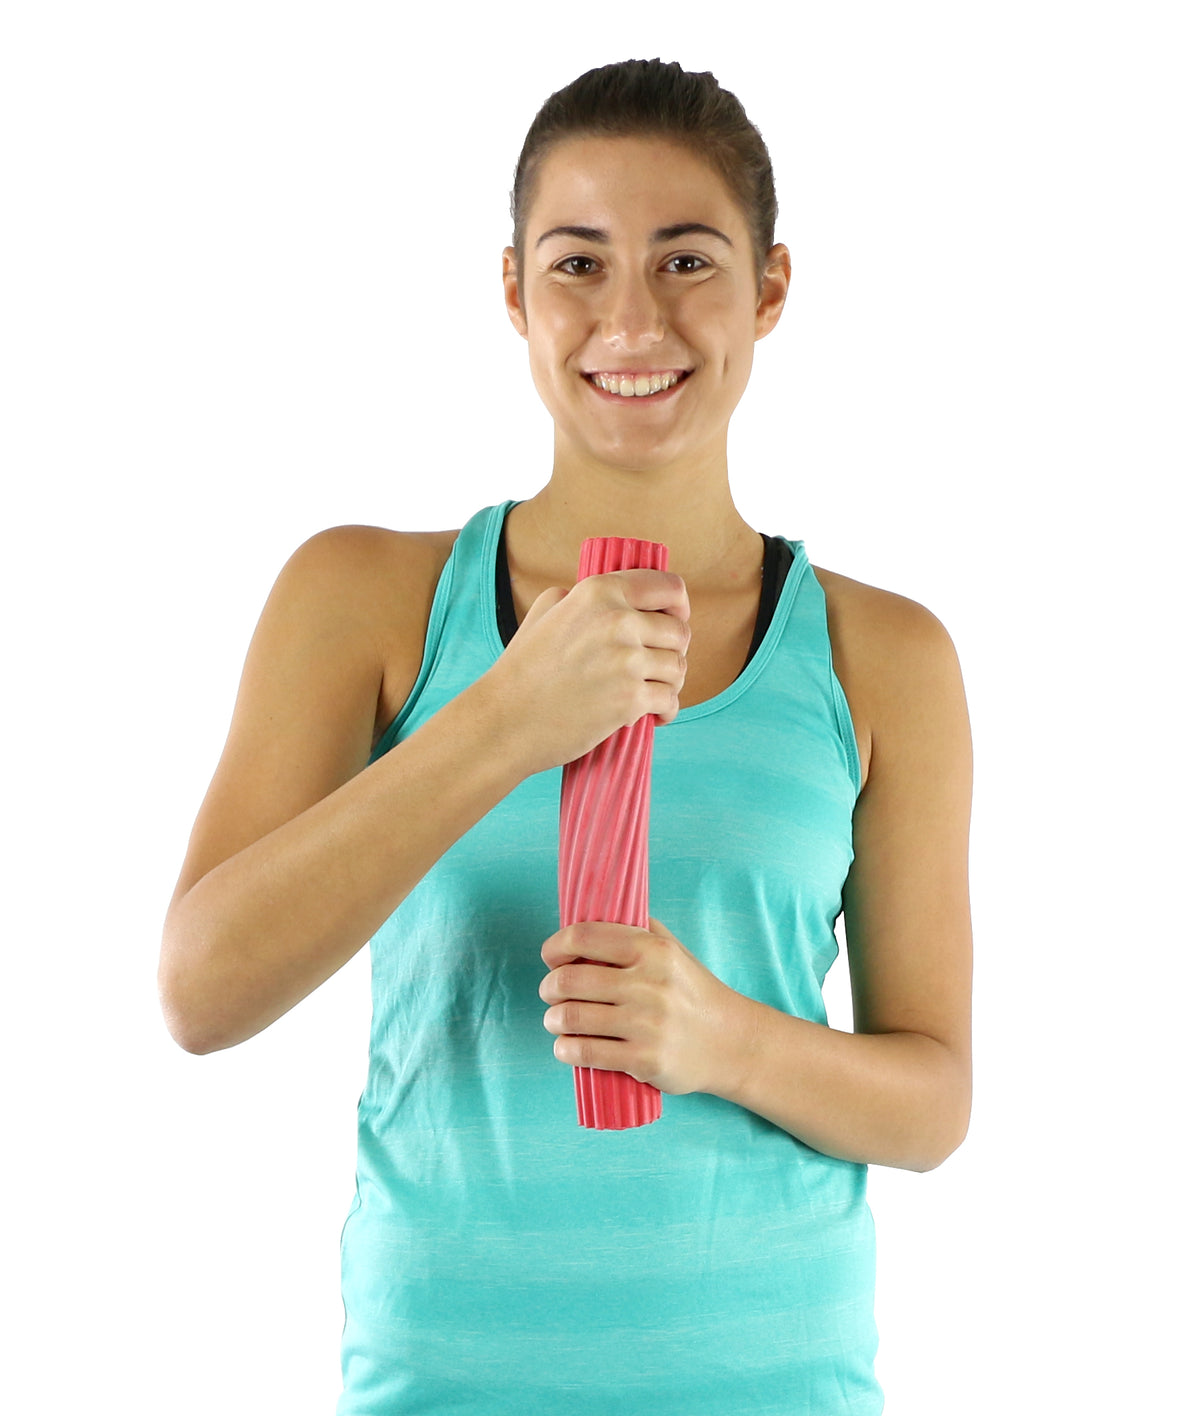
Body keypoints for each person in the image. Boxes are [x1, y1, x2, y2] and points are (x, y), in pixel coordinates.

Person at [158, 57, 972, 1415]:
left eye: (688, 261)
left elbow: (933, 1098)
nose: (631, 317)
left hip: (773, 1386)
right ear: (514, 292)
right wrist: (502, 719)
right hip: (443, 1384)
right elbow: (202, 990)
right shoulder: (366, 601)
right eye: (579, 263)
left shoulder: (883, 656)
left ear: (771, 289)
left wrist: (722, 1039)